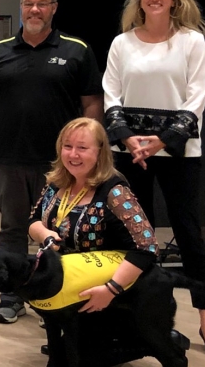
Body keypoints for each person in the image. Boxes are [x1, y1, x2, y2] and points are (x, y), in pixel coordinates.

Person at [0, 0, 104, 324]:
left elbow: (93, 107)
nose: (35, 10)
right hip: (9, 159)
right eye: (29, 4)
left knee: (64, 231)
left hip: (61, 164)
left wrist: (88, 157)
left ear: (54, 7)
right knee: (13, 228)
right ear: (21, 7)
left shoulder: (77, 50)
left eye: (42, 4)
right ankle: (13, 298)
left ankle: (59, 297)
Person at [103, 0, 205, 361]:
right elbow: (111, 96)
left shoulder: (192, 42)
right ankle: (140, 314)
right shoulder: (121, 43)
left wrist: (161, 141)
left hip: (178, 152)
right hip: (131, 151)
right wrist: (129, 140)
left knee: (189, 234)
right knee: (135, 236)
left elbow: (196, 98)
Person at [27, 117, 160, 338]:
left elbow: (147, 247)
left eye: (82, 148)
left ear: (100, 152)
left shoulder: (114, 191)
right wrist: (45, 234)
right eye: (67, 146)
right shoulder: (57, 182)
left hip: (109, 286)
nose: (73, 154)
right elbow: (32, 221)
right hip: (72, 282)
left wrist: (111, 290)